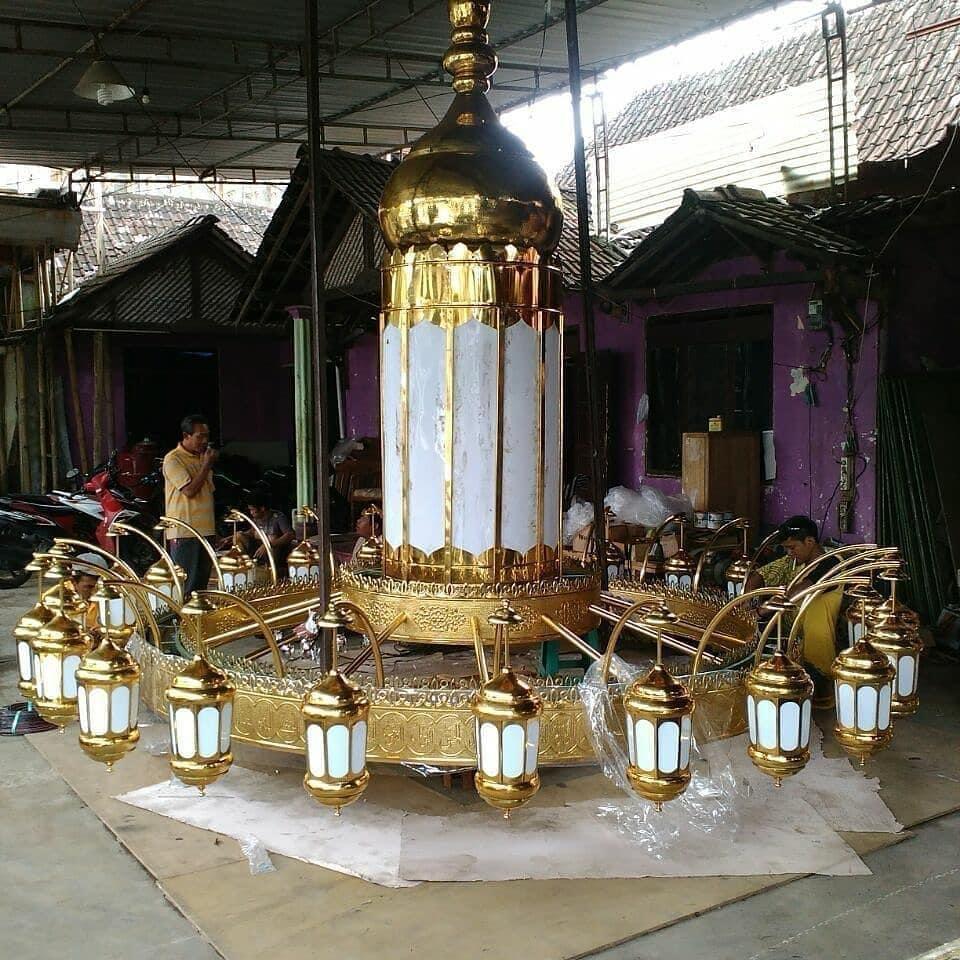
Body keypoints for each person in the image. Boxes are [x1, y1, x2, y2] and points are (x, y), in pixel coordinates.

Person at [746, 515, 841, 706]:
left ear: (810, 541)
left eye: (792, 548)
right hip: (798, 644)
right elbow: (761, 576)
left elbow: (803, 589)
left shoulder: (831, 563)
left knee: (809, 701)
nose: (789, 553)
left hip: (818, 653)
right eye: (787, 549)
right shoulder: (798, 562)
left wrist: (762, 611)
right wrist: (750, 601)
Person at [163, 414, 217, 597]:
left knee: (201, 587)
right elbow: (190, 491)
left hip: (206, 529)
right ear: (186, 436)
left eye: (206, 436)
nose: (204, 440)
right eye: (199, 436)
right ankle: (182, 624)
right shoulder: (173, 459)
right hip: (185, 531)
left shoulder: (202, 458)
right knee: (186, 586)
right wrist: (206, 466)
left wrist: (205, 464)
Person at [235, 492, 295, 566]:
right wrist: (233, 536)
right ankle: (245, 563)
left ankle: (271, 569)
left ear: (262, 508)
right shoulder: (257, 519)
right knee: (238, 535)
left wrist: (268, 545)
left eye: (253, 510)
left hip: (274, 552)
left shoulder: (278, 517)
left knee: (272, 537)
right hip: (258, 550)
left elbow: (290, 534)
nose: (251, 512)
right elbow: (252, 532)